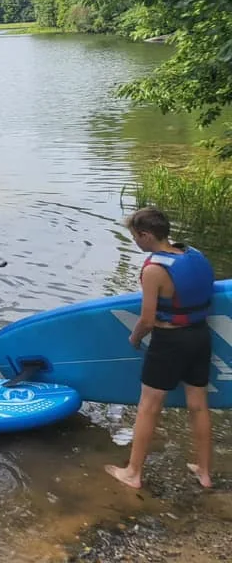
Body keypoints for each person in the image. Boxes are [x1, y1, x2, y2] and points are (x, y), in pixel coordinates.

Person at [105, 206, 214, 490]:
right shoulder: (195, 255)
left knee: (149, 407)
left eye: (135, 237)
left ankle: (133, 473)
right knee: (198, 406)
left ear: (146, 235)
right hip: (200, 336)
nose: (135, 243)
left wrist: (134, 338)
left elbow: (148, 319)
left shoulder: (154, 269)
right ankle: (203, 472)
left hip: (170, 342)